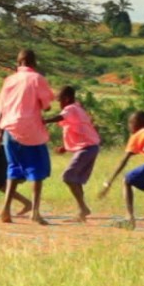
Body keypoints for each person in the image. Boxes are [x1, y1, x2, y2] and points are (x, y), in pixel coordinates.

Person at [0, 49, 54, 225]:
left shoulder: (9, 80)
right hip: (31, 131)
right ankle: (34, 212)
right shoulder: (37, 79)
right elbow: (46, 105)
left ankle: (5, 210)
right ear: (34, 63)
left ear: (19, 63)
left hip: (10, 131)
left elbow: (0, 107)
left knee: (13, 169)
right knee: (37, 171)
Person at [44, 85, 100, 221]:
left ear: (67, 98)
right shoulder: (78, 109)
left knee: (68, 176)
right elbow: (76, 129)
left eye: (60, 100)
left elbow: (60, 117)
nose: (59, 103)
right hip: (90, 147)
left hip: (87, 148)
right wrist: (65, 147)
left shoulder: (71, 108)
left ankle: (83, 208)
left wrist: (43, 121)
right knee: (75, 179)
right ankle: (81, 213)